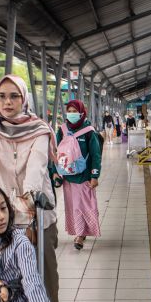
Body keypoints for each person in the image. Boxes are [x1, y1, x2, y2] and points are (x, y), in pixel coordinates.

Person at [0, 74, 61, 302]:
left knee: (43, 265)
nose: (7, 102)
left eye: (14, 96)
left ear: (24, 99)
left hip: (37, 210)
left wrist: (26, 203)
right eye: (2, 96)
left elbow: (36, 170)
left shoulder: (40, 129)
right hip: (3, 213)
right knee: (7, 267)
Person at [50, 100, 102, 250]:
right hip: (68, 176)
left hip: (84, 176)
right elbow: (57, 153)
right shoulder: (63, 129)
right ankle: (80, 232)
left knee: (82, 205)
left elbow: (95, 154)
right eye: (69, 111)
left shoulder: (89, 131)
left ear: (81, 112)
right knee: (73, 206)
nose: (72, 114)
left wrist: (94, 175)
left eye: (75, 111)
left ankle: (80, 235)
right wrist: (56, 173)